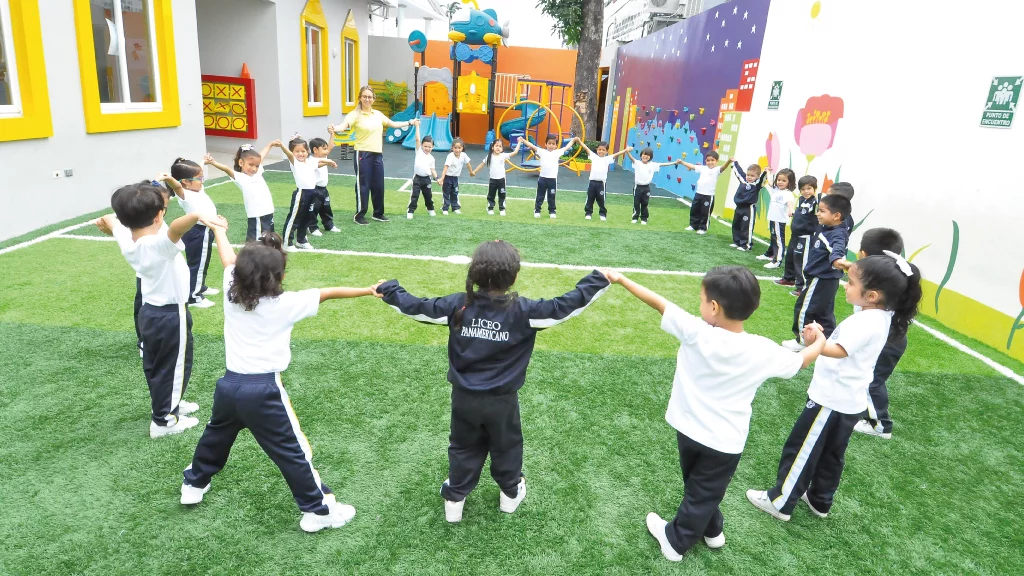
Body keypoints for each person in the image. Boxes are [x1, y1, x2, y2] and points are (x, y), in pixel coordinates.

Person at [374, 240, 610, 523]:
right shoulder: (524, 311)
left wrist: (389, 289)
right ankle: (510, 496)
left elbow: (417, 306)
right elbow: (564, 306)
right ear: (515, 277)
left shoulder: (457, 305)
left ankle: (454, 501)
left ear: (474, 273)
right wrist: (599, 279)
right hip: (502, 402)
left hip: (464, 399)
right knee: (506, 446)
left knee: (462, 446)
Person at [604, 266, 825, 562]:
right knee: (703, 488)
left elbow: (657, 302)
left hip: (687, 429)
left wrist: (621, 279)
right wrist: (819, 341)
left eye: (701, 299)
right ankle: (713, 529)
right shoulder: (762, 349)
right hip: (725, 441)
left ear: (714, 307)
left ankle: (676, 540)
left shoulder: (695, 331)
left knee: (698, 489)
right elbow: (802, 362)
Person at [179, 225, 380, 533]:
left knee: (215, 437)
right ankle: (318, 511)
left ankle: (193, 485)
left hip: (229, 387)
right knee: (293, 451)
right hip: (264, 392)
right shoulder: (286, 304)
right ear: (280, 277)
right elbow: (328, 293)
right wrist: (368, 290)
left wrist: (219, 229)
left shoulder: (232, 290)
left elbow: (227, 258)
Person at [746, 252, 922, 521]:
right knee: (831, 455)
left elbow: (838, 350)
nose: (845, 285)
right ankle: (820, 500)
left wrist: (815, 339)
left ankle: (780, 501)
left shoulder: (866, 321)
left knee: (802, 448)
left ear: (872, 295)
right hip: (849, 401)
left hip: (830, 400)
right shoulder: (881, 314)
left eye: (850, 283)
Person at [96, 181, 225, 438]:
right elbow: (176, 228)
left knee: (160, 365)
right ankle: (164, 421)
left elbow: (111, 219)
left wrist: (109, 221)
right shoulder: (156, 245)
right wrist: (200, 215)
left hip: (151, 313)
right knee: (175, 366)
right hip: (170, 316)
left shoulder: (129, 237)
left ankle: (169, 404)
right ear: (158, 216)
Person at [835, 228, 909, 440]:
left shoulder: (881, 287)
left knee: (872, 380)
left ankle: (881, 425)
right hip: (884, 338)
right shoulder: (891, 277)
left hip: (887, 342)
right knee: (869, 377)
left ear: (864, 255)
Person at [332, 85, 418, 225]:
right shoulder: (355, 114)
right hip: (362, 153)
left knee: (378, 184)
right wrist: (335, 128)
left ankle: (378, 213)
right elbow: (344, 125)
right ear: (360, 98)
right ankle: (360, 215)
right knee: (363, 184)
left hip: (377, 154)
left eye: (370, 97)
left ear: (373, 99)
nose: (367, 99)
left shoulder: (377, 114)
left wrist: (410, 122)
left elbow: (393, 124)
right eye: (364, 96)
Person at [783, 194, 852, 352]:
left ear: (836, 216)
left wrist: (838, 260)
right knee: (824, 311)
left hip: (820, 279)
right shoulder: (828, 228)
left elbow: (837, 250)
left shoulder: (836, 234)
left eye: (822, 211)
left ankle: (801, 341)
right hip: (828, 280)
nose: (818, 214)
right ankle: (828, 338)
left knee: (804, 308)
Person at [163, 159, 219, 309]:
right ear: (186, 182)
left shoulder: (198, 189)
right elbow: (176, 186)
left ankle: (200, 287)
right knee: (197, 265)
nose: (202, 181)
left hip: (205, 231)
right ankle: (194, 297)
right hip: (198, 232)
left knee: (202, 262)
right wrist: (169, 179)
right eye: (199, 178)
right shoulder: (185, 194)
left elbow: (197, 171)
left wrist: (203, 161)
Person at [204, 142, 278, 242]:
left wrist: (270, 145)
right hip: (257, 215)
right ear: (241, 163)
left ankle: (265, 256)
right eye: (250, 165)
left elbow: (262, 156)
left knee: (269, 239)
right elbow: (226, 169)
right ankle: (252, 257)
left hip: (268, 212)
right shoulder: (240, 177)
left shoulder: (258, 172)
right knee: (257, 242)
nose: (254, 168)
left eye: (256, 166)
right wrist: (213, 162)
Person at [279, 135, 336, 251]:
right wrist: (282, 146)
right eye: (297, 151)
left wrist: (329, 162)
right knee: (294, 219)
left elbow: (319, 161)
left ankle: (301, 240)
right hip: (301, 195)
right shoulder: (295, 162)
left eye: (303, 151)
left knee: (306, 218)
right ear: (292, 153)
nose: (300, 154)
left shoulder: (310, 162)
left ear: (308, 151)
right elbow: (289, 154)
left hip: (312, 194)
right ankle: (287, 243)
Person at [776, 176, 819, 295]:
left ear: (815, 189)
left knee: (801, 262)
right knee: (790, 257)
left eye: (809, 188)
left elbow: (817, 217)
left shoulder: (815, 202)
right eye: (803, 189)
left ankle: (803, 287)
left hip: (805, 237)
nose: (806, 191)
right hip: (795, 235)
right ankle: (789, 279)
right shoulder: (801, 199)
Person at [574, 139, 632, 221]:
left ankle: (602, 214)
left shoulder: (607, 159)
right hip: (592, 182)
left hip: (601, 184)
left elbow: (617, 154)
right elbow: (586, 148)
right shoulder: (593, 157)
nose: (601, 151)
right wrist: (579, 141)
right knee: (590, 198)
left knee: (601, 200)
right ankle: (588, 213)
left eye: (603, 150)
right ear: (597, 150)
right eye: (599, 149)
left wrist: (626, 150)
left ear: (606, 151)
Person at [624, 147, 683, 225]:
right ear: (641, 155)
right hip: (637, 187)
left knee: (645, 203)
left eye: (648, 155)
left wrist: (674, 162)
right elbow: (631, 158)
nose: (645, 156)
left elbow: (663, 164)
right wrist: (627, 151)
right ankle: (635, 217)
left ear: (650, 157)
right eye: (644, 154)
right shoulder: (637, 163)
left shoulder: (652, 165)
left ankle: (644, 218)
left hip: (646, 187)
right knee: (636, 203)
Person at [520, 135, 574, 219]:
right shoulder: (542, 151)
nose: (551, 145)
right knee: (540, 195)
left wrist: (574, 140)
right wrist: (523, 140)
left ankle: (552, 211)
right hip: (542, 178)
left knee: (551, 196)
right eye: (549, 143)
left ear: (556, 145)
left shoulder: (557, 152)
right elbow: (532, 146)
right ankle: (537, 210)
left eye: (553, 144)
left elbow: (567, 147)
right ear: (545, 144)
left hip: (552, 180)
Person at [680, 151, 731, 234]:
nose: (710, 162)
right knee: (694, 210)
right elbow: (692, 166)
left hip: (708, 196)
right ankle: (693, 225)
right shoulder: (703, 168)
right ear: (705, 161)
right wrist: (682, 162)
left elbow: (724, 167)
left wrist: (729, 161)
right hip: (698, 193)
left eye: (712, 160)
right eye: (708, 160)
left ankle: (703, 228)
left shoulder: (717, 170)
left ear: (717, 161)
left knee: (705, 213)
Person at [758, 168, 797, 269]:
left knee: (779, 241)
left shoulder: (788, 193)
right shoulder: (776, 189)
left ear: (790, 182)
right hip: (773, 219)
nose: (780, 182)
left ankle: (777, 261)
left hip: (779, 221)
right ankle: (770, 254)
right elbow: (770, 182)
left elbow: (790, 204)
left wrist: (791, 210)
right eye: (779, 180)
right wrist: (768, 172)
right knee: (773, 237)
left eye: (784, 181)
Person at [473, 138, 522, 216]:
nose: (498, 147)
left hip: (501, 180)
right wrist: (474, 171)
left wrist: (519, 142)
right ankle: (490, 208)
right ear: (492, 147)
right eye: (496, 146)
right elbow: (482, 164)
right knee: (491, 195)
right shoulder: (489, 156)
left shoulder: (503, 156)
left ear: (502, 148)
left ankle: (502, 208)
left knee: (502, 194)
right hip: (492, 180)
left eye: (500, 146)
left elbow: (515, 152)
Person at [728, 161, 769, 251]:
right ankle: (737, 241)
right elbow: (738, 171)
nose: (749, 177)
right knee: (736, 225)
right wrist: (735, 162)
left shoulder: (757, 184)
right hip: (739, 207)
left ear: (757, 177)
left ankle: (746, 245)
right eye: (748, 175)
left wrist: (765, 172)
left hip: (748, 209)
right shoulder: (743, 180)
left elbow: (762, 178)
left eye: (752, 176)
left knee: (746, 226)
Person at [307, 131, 341, 236]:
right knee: (313, 209)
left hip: (323, 189)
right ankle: (312, 227)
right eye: (324, 149)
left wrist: (332, 134)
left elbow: (331, 146)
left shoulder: (324, 157)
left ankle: (329, 225)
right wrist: (328, 162)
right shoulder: (311, 160)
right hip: (314, 189)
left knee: (326, 208)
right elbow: (317, 165)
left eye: (326, 149)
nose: (327, 151)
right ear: (315, 150)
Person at [407, 122, 439, 219]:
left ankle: (430, 209)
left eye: (429, 147)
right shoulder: (419, 152)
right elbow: (417, 139)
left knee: (428, 196)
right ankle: (410, 211)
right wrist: (417, 126)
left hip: (427, 179)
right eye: (425, 146)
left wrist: (437, 178)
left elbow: (432, 169)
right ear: (421, 145)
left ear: (432, 147)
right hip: (417, 178)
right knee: (415, 195)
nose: (427, 148)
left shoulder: (432, 158)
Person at [438, 138, 475, 215]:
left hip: (455, 178)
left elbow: (468, 164)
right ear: (452, 148)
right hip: (448, 177)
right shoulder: (450, 156)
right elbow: (446, 167)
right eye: (455, 148)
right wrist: (442, 178)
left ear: (462, 148)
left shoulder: (463, 155)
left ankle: (455, 207)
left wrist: (471, 172)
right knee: (446, 193)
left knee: (455, 193)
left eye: (459, 148)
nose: (457, 150)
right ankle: (445, 208)